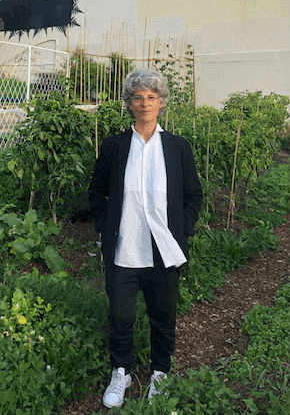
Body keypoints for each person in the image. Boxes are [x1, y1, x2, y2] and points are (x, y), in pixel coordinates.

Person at [88, 69, 202, 408]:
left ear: (162, 103)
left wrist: (184, 231)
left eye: (152, 97)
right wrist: (104, 225)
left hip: (164, 251)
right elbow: (96, 192)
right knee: (121, 316)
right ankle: (120, 371)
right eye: (138, 97)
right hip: (124, 249)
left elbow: (194, 195)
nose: (145, 103)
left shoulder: (178, 147)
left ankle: (159, 373)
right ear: (129, 104)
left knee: (163, 318)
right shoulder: (115, 146)